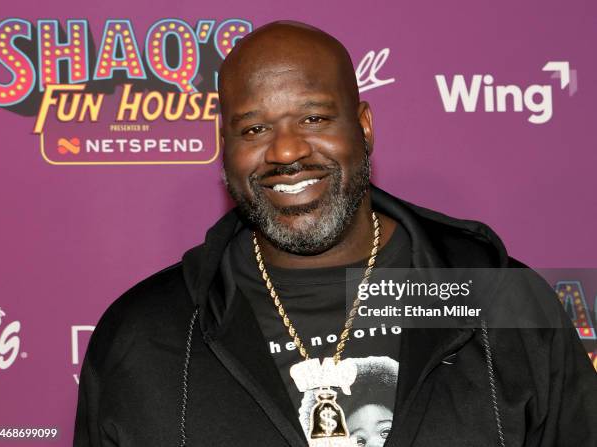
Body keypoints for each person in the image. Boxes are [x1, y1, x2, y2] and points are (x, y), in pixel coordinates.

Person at [73, 21, 596, 447]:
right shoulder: (145, 335)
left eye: (314, 118)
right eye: (254, 129)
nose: (285, 151)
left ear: (363, 127)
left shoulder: (498, 303)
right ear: (224, 145)